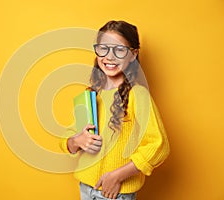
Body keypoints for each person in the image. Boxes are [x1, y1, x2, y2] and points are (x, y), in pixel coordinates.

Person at [60, 20, 170, 200]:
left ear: (133, 54)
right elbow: (69, 137)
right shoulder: (90, 95)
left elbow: (159, 145)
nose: (109, 57)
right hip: (86, 188)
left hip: (115, 193)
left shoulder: (137, 95)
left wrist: (117, 176)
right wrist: (76, 141)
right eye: (103, 48)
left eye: (119, 50)